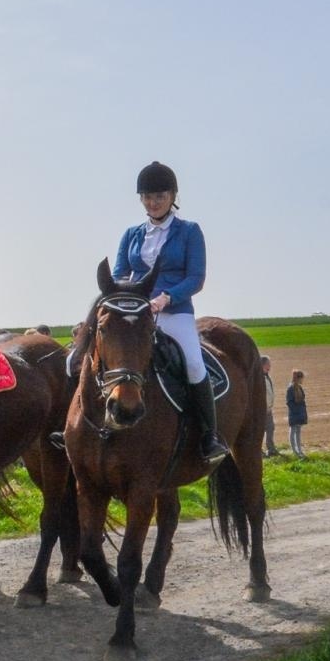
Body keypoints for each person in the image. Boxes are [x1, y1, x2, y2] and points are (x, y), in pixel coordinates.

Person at [111, 160, 228, 465]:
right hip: (136, 315)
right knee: (94, 355)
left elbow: (195, 277)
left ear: (173, 195)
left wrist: (166, 298)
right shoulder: (131, 234)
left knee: (192, 363)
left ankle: (209, 437)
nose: (153, 202)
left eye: (159, 196)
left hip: (175, 313)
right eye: (147, 197)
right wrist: (129, 299)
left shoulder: (189, 232)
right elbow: (120, 273)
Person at [260, 355, 281, 457]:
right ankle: (258, 451)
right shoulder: (259, 378)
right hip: (261, 410)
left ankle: (271, 449)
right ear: (263, 365)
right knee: (260, 431)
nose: (270, 367)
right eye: (268, 364)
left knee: (270, 428)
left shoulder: (267, 376)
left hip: (268, 410)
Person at [286, 368, 308, 458]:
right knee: (293, 431)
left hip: (299, 414)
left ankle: (299, 450)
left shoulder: (299, 387)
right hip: (295, 414)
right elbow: (289, 402)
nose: (303, 380)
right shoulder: (290, 388)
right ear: (299, 378)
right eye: (302, 378)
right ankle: (295, 451)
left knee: (298, 432)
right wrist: (296, 411)